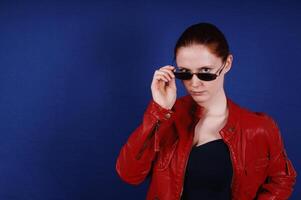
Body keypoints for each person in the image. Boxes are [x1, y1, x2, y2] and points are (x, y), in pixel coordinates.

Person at [115, 22, 297, 200]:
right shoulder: (167, 117)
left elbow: (282, 179)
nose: (194, 84)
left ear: (227, 64)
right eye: (185, 73)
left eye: (205, 72)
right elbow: (129, 174)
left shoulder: (258, 128)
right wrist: (160, 110)